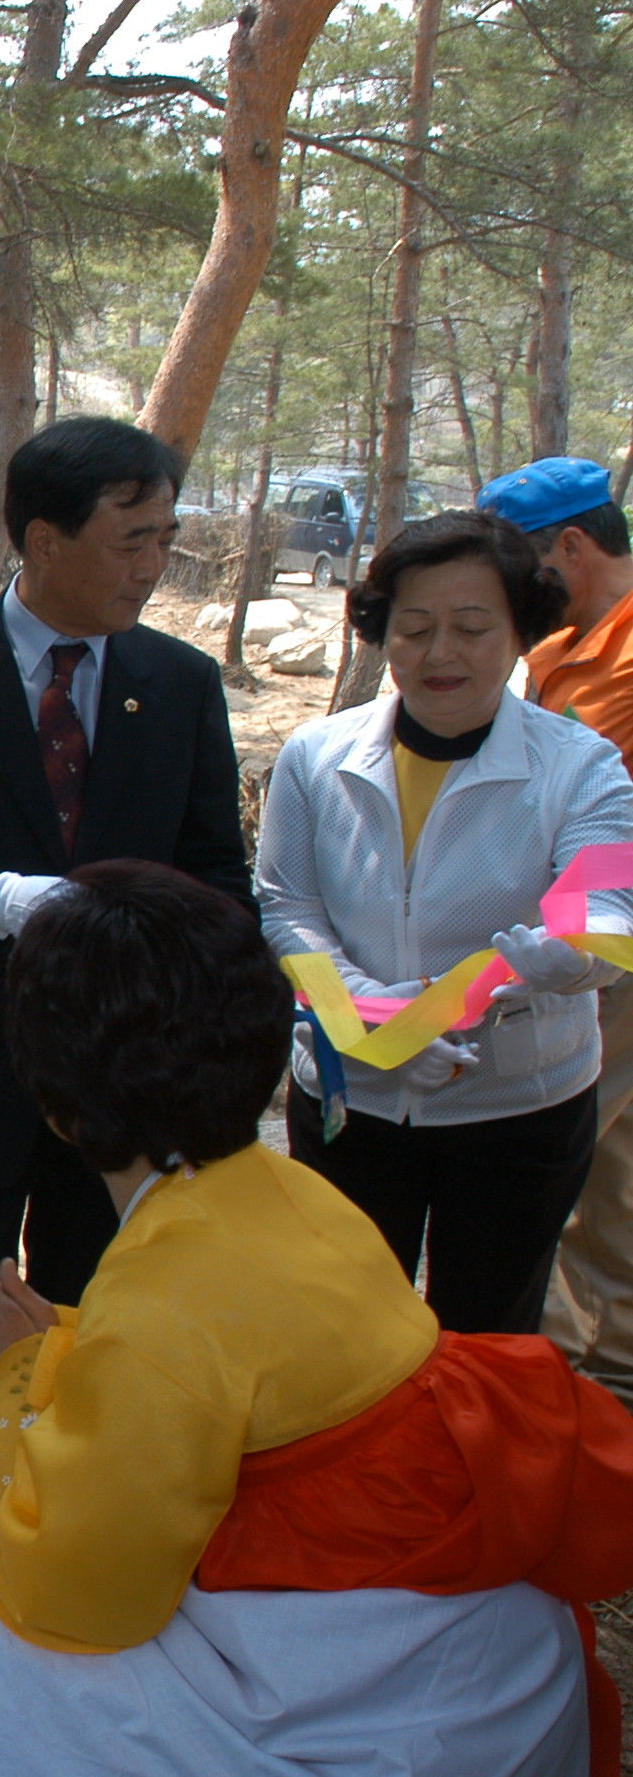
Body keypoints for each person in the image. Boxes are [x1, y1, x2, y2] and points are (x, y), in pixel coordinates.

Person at [0, 862, 633, 1777]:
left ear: (53, 1100)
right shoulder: (287, 1192)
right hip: (484, 1683)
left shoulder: (157, 1304)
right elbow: (227, 1363)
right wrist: (62, 1343)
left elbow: (83, 1592)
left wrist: (15, 1373)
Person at [0, 416, 249, 1535]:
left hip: (123, 1058)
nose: (149, 567)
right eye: (129, 541)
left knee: (100, 1277)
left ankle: (76, 1495)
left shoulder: (174, 682)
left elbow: (215, 868)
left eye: (162, 541)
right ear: (40, 538)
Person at [259, 509, 633, 1336]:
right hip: (349, 1100)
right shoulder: (316, 757)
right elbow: (286, 906)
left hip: (518, 1107)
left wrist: (542, 966)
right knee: (350, 1327)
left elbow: (605, 910)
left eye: (471, 628)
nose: (439, 655)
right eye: (414, 627)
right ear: (379, 629)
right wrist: (363, 1007)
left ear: (521, 631)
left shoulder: (584, 766)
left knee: (489, 1332)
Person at [484, 457, 633, 1404]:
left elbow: (601, 827)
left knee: (562, 1153)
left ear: (571, 548)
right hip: (579, 939)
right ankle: (599, 1367)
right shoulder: (564, 649)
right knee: (610, 1164)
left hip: (605, 946)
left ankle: (555, 1377)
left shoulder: (622, 663)